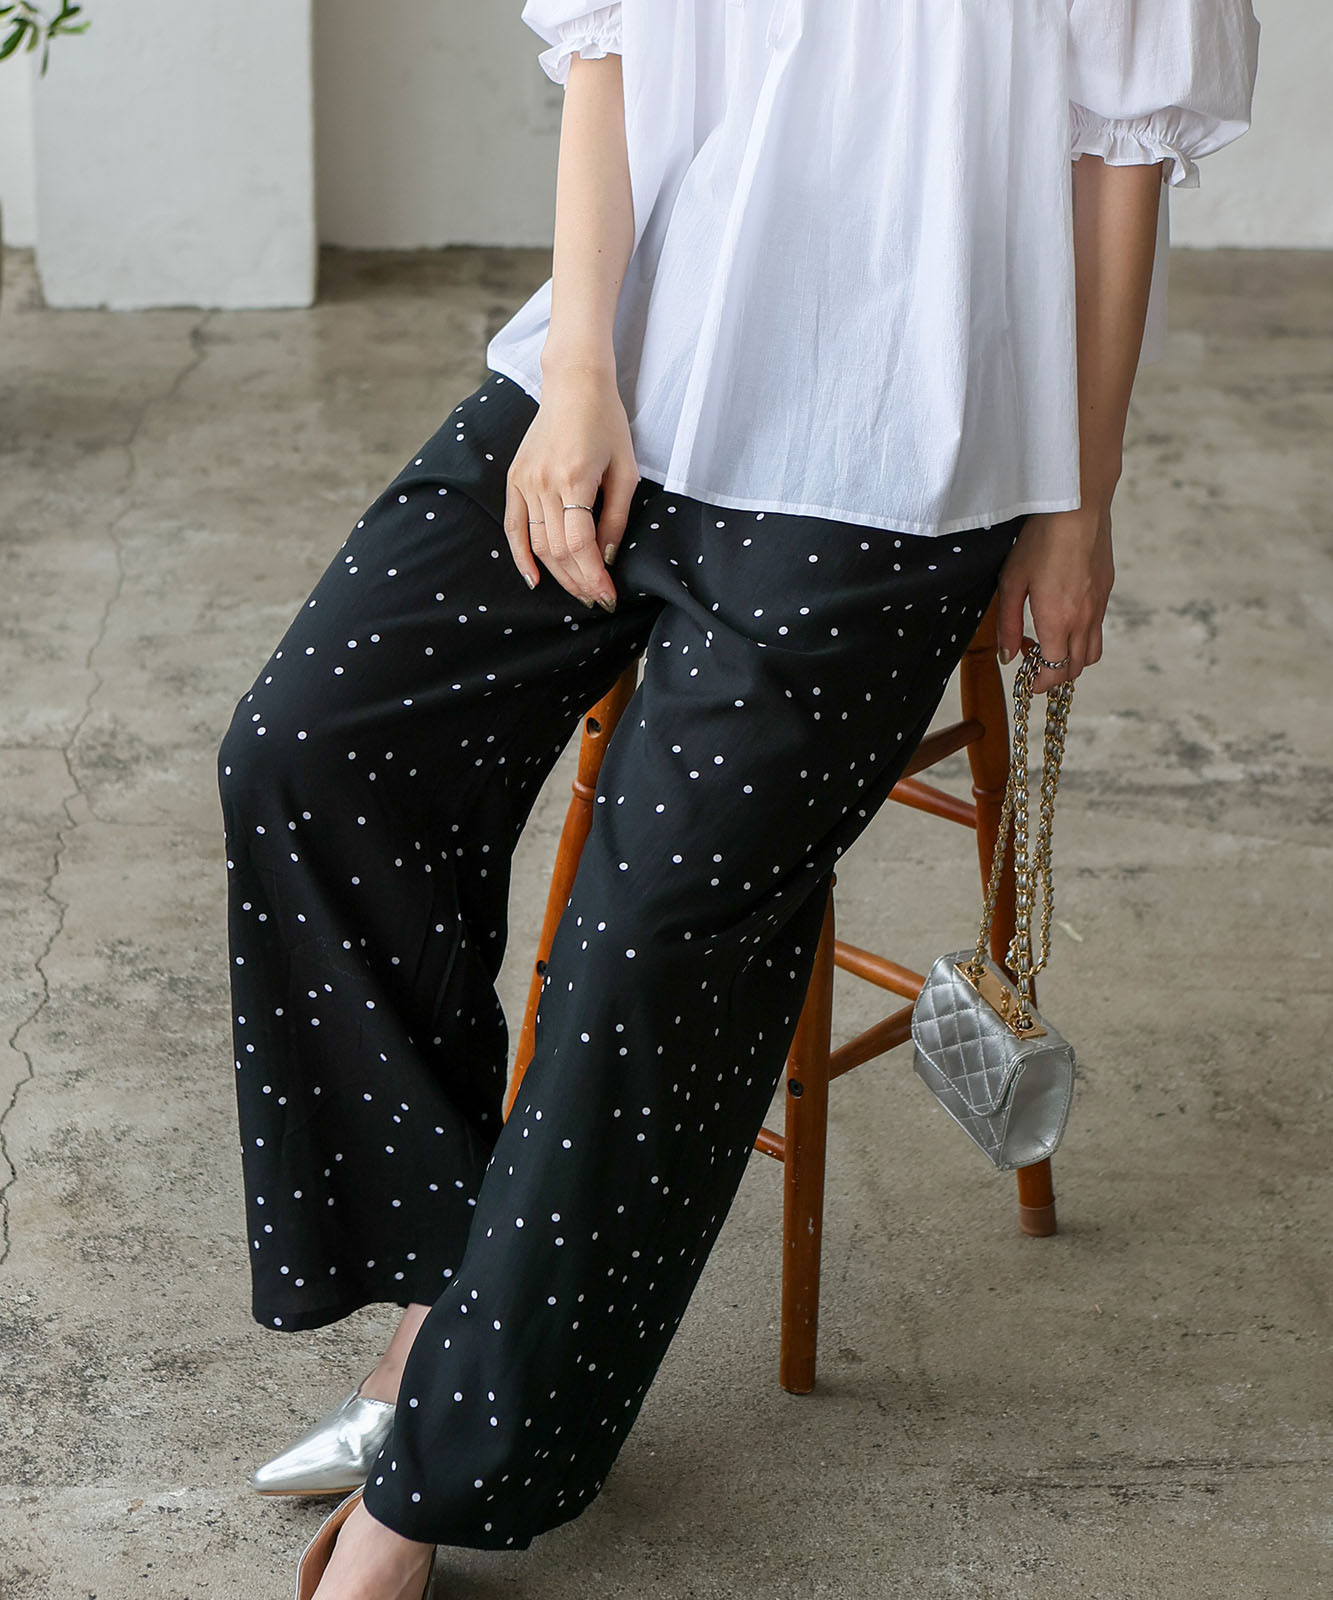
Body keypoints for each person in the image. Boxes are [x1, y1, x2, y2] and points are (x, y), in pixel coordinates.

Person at [215, 2, 1260, 1595]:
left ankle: (430, 1490)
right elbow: (610, 53)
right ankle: (451, 1295)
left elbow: (1122, 159)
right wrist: (578, 369)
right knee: (308, 747)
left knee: (651, 941)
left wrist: (1076, 503)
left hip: (898, 444)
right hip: (628, 369)